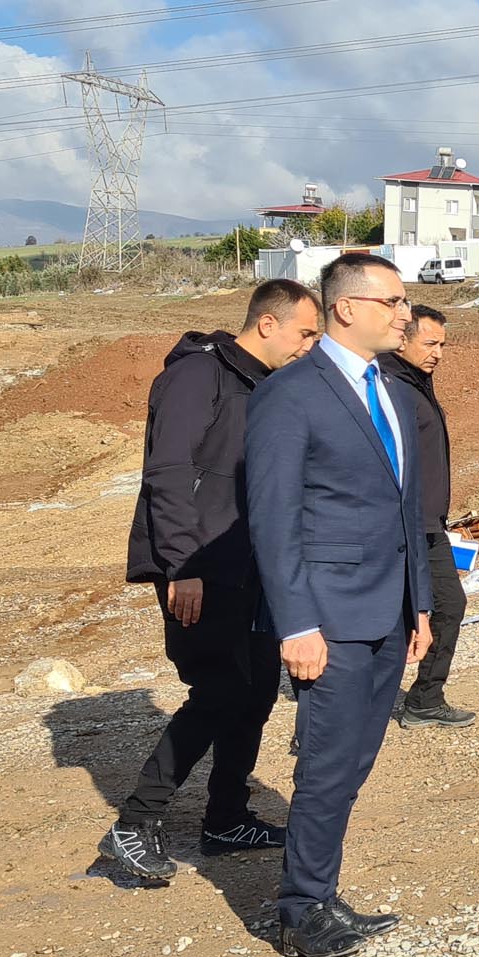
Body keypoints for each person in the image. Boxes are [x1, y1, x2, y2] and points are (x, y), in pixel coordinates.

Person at [248, 252, 435, 957]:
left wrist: (420, 605)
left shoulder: (385, 387)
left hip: (387, 612)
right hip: (328, 617)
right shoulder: (291, 393)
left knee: (354, 759)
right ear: (346, 308)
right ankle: (301, 909)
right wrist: (296, 622)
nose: (405, 314)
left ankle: (320, 891)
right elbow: (273, 517)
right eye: (392, 302)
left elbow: (403, 505)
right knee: (327, 765)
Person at [103, 280, 322, 882]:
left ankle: (226, 816)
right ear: (268, 323)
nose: (310, 346)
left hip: (247, 563)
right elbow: (168, 474)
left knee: (252, 693)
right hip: (199, 566)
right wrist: (183, 565)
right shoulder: (198, 376)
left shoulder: (263, 384)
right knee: (220, 689)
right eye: (305, 333)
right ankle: (133, 824)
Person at [386, 304, 474, 729]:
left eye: (443, 344)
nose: (438, 352)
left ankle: (424, 699)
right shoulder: (387, 385)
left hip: (428, 526)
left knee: (449, 605)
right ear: (403, 339)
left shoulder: (417, 381)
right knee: (376, 622)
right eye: (431, 343)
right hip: (394, 526)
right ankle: (324, 724)